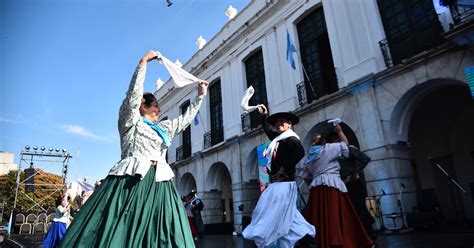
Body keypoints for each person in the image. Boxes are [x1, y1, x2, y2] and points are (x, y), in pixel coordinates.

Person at [58, 51, 208, 247]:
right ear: (142, 106)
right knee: (122, 224)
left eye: (157, 110)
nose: (156, 112)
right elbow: (132, 96)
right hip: (132, 179)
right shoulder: (131, 122)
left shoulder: (163, 129)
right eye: (153, 109)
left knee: (166, 227)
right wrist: (143, 64)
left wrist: (200, 96)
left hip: (159, 183)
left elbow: (184, 120)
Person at [243, 105, 315, 248]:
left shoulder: (291, 139)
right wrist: (264, 116)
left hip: (284, 184)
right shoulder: (279, 139)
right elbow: (268, 130)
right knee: (286, 215)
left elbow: (299, 153)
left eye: (283, 121)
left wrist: (284, 168)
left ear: (290, 125)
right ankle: (304, 237)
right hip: (277, 184)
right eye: (277, 122)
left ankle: (268, 236)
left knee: (268, 210)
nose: (279, 124)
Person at [300, 125, 373, 248]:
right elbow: (345, 144)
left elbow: (305, 176)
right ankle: (337, 240)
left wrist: (313, 183)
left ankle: (324, 240)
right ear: (324, 141)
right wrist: (339, 131)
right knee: (336, 214)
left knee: (321, 216)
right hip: (332, 184)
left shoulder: (309, 158)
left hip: (317, 187)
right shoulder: (328, 149)